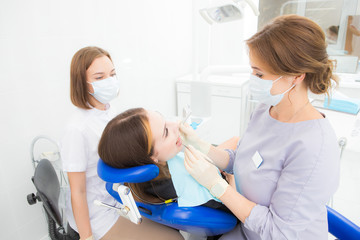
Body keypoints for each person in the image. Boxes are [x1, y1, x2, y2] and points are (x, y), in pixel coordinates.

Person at [181, 15, 340, 239]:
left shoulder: (313, 147)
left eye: (259, 74)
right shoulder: (265, 110)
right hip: (248, 229)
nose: (252, 79)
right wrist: (202, 146)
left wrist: (217, 186)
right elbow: (244, 160)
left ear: (295, 77)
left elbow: (278, 232)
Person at [61, 46, 183, 240]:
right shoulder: (77, 128)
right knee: (174, 238)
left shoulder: (109, 110)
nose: (109, 82)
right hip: (98, 215)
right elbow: (77, 190)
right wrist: (87, 237)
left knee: (173, 227)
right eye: (100, 77)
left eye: (112, 74)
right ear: (81, 83)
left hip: (120, 199)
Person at [98, 107, 236, 211]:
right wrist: (231, 175)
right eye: (165, 132)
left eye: (165, 121)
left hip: (214, 175)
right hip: (232, 195)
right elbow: (232, 207)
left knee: (236, 141)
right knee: (237, 143)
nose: (175, 125)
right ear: (151, 157)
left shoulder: (148, 172)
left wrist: (199, 144)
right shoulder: (179, 184)